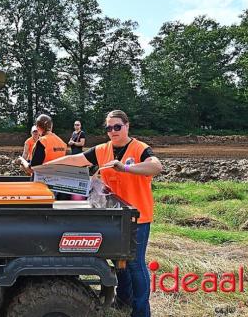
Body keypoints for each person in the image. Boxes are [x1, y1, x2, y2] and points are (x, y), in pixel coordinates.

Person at [45, 110, 162, 317]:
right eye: (109, 128)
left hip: (137, 216)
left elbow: (155, 166)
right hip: (114, 215)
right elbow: (76, 160)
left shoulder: (139, 148)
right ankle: (123, 300)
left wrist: (126, 169)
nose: (113, 131)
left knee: (135, 264)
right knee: (119, 260)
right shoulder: (102, 149)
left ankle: (141, 311)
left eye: (117, 126)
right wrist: (45, 167)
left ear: (127, 126)